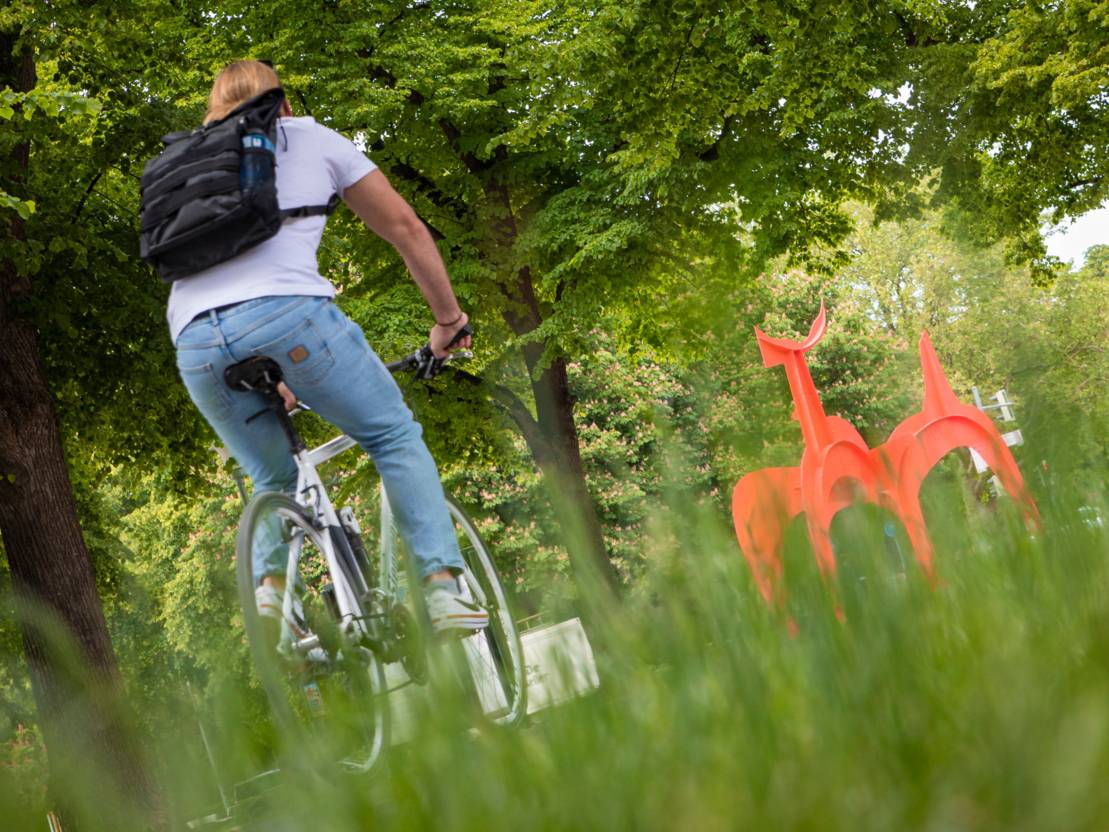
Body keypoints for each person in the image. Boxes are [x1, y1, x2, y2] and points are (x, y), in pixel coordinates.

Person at [170, 60, 487, 634]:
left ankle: (272, 599)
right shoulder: (309, 137)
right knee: (392, 433)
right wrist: (448, 320)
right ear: (282, 104)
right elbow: (408, 230)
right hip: (288, 316)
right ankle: (443, 588)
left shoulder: (192, 164)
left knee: (272, 479)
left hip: (193, 341)